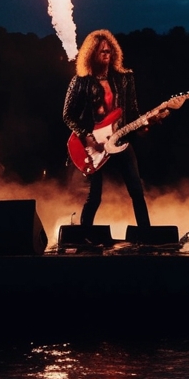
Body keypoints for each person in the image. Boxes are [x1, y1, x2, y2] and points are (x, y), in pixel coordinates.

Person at [64, 29, 151, 230]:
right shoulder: (80, 81)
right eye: (100, 49)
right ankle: (85, 236)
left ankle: (147, 236)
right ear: (91, 53)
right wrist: (85, 135)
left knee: (137, 191)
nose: (105, 52)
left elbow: (133, 112)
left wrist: (143, 126)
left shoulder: (125, 78)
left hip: (119, 141)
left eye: (108, 49)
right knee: (94, 196)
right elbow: (68, 115)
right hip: (94, 145)